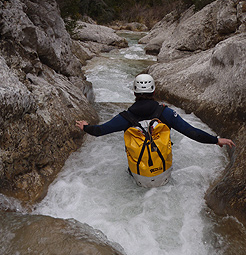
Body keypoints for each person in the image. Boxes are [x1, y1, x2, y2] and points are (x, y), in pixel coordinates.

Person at [76, 74, 235, 186]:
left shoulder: (125, 117)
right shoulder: (165, 113)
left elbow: (100, 131)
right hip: (163, 175)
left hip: (138, 176)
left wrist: (85, 126)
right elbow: (192, 132)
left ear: (134, 92)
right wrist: (216, 140)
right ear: (153, 92)